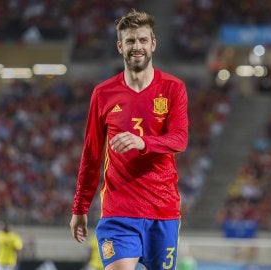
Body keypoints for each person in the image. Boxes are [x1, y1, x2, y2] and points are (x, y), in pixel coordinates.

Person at [70, 9, 189, 270]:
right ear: (120, 46)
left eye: (143, 40)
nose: (138, 47)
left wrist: (143, 142)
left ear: (153, 44)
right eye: (131, 41)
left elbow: (179, 139)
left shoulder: (173, 88)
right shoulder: (103, 94)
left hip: (163, 209)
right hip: (119, 210)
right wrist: (79, 208)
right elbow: (91, 155)